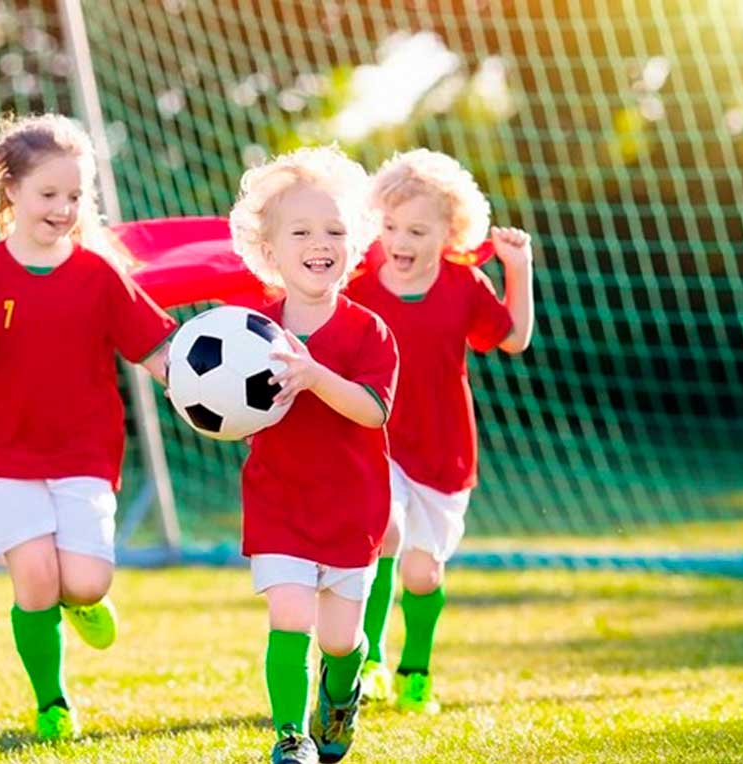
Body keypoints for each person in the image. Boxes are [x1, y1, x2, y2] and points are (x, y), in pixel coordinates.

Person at [0, 113, 176, 741]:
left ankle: (85, 601)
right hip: (1, 455)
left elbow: (156, 353)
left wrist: (208, 393)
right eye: (50, 194)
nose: (64, 207)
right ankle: (52, 702)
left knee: (85, 579)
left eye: (76, 196)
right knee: (37, 578)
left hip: (84, 453)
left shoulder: (101, 274)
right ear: (12, 192)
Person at [345, 148, 534, 714]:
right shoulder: (358, 283)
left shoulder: (463, 284)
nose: (401, 241)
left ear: (449, 233)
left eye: (417, 230)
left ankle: (415, 667)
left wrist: (517, 269)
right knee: (382, 533)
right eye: (391, 226)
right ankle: (369, 656)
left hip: (444, 451)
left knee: (423, 573)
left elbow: (513, 338)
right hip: (377, 440)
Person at [226, 146, 399, 764]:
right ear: (269, 251)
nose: (319, 242)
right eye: (301, 231)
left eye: (334, 230)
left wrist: (314, 375)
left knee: (339, 637)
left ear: (354, 246)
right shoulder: (248, 333)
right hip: (279, 501)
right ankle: (290, 737)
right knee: (289, 620)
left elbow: (374, 410)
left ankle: (343, 684)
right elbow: (229, 409)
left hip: (351, 506)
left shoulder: (369, 332)